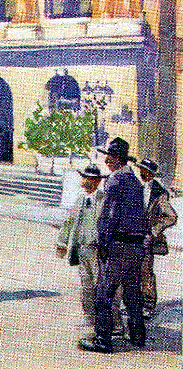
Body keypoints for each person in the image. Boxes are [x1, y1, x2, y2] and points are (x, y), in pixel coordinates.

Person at [79, 138, 149, 354]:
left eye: (110, 156)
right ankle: (137, 336)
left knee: (103, 294)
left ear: (117, 159)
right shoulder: (136, 182)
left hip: (118, 245)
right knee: (132, 293)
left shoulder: (115, 181)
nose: (107, 159)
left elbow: (109, 216)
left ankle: (103, 340)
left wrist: (103, 242)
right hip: (136, 246)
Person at [56, 165, 120, 334]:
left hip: (98, 250)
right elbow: (69, 222)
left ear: (98, 182)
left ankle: (110, 321)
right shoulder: (81, 200)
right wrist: (62, 243)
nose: (86, 181)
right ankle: (89, 315)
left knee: (103, 286)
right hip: (82, 249)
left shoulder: (104, 200)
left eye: (91, 179)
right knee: (86, 284)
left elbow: (111, 224)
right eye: (84, 178)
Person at [134, 158, 178, 317]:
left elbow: (172, 216)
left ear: (152, 174)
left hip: (147, 239)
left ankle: (148, 305)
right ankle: (134, 303)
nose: (142, 172)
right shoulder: (135, 188)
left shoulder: (160, 193)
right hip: (133, 237)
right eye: (141, 169)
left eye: (146, 171)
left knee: (146, 273)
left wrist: (154, 230)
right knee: (132, 272)